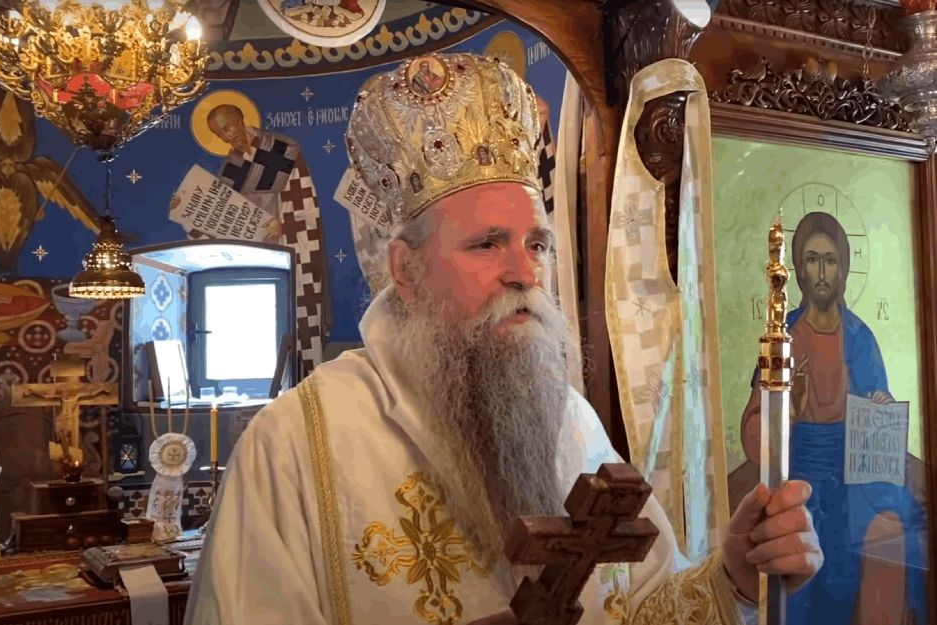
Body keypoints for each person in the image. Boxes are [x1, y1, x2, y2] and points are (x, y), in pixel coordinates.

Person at [184, 52, 822, 625]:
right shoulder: (294, 446)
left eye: (536, 244)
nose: (524, 273)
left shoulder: (571, 422)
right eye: (487, 244)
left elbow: (641, 609)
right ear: (406, 271)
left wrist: (735, 577)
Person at [740, 211, 925, 624]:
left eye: (830, 260)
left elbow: (882, 430)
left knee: (892, 528)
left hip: (855, 472)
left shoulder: (860, 337)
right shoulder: (784, 337)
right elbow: (753, 436)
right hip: (798, 468)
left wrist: (879, 407)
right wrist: (787, 407)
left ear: (843, 268)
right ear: (799, 269)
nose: (822, 272)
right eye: (812, 260)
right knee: (793, 541)